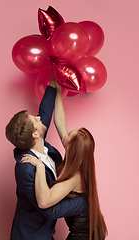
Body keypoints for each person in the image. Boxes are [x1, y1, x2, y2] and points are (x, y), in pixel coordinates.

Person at [5, 76, 89, 240]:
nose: (38, 117)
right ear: (35, 134)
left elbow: (45, 111)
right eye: (35, 119)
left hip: (45, 235)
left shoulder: (43, 148)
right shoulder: (26, 168)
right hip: (29, 237)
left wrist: (53, 80)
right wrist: (84, 203)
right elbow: (50, 210)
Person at [21, 82, 107, 240]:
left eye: (68, 135)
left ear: (71, 148)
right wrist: (58, 87)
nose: (64, 135)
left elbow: (44, 201)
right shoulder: (75, 157)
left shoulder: (75, 178)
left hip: (84, 237)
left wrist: (40, 167)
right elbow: (59, 121)